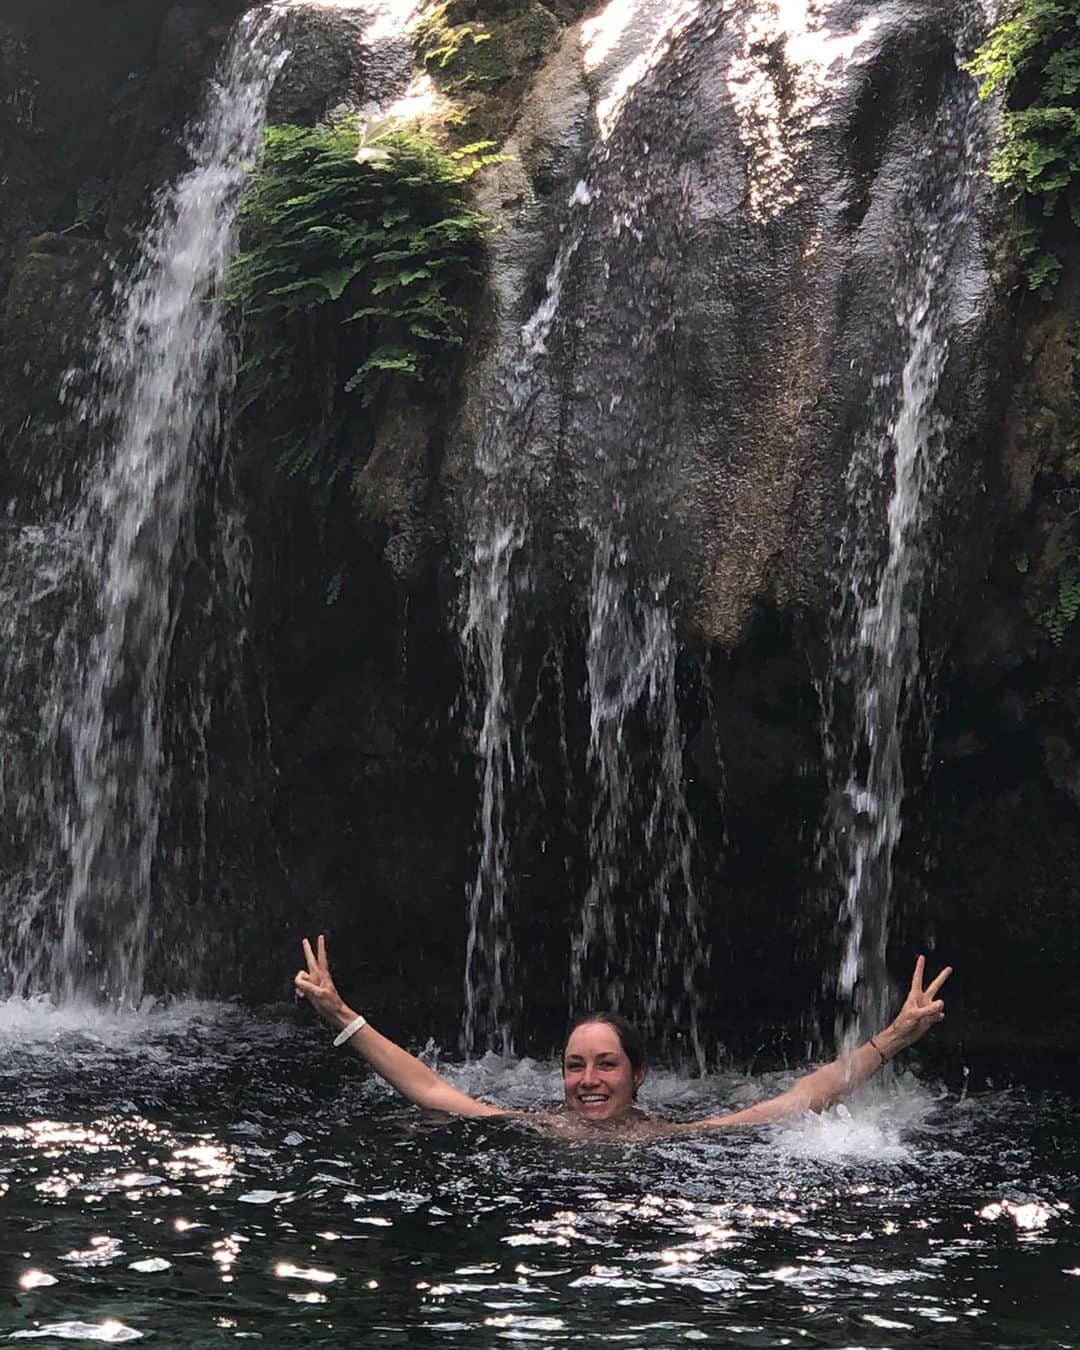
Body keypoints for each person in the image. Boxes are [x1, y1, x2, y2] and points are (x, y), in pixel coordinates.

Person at [294, 935, 952, 1139]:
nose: (588, 1080)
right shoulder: (540, 1124)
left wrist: (892, 1037)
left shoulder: (669, 1136)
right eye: (576, 1066)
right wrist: (341, 1015)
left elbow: (799, 1099)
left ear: (639, 1075)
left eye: (606, 1065)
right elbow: (431, 1088)